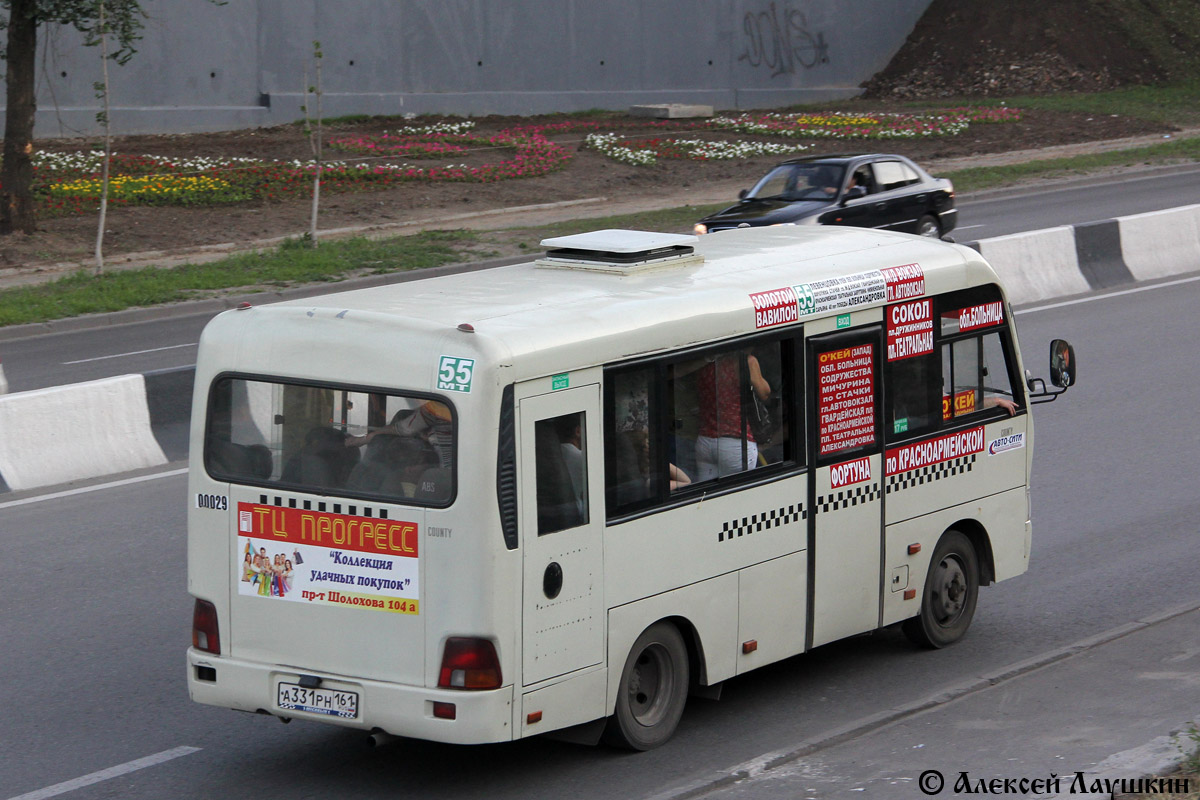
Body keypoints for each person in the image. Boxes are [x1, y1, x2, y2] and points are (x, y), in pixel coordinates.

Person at [694, 350, 771, 481]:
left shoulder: (704, 363)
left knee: (707, 496)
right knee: (739, 496)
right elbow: (764, 393)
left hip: (705, 442)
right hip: (736, 444)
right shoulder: (747, 362)